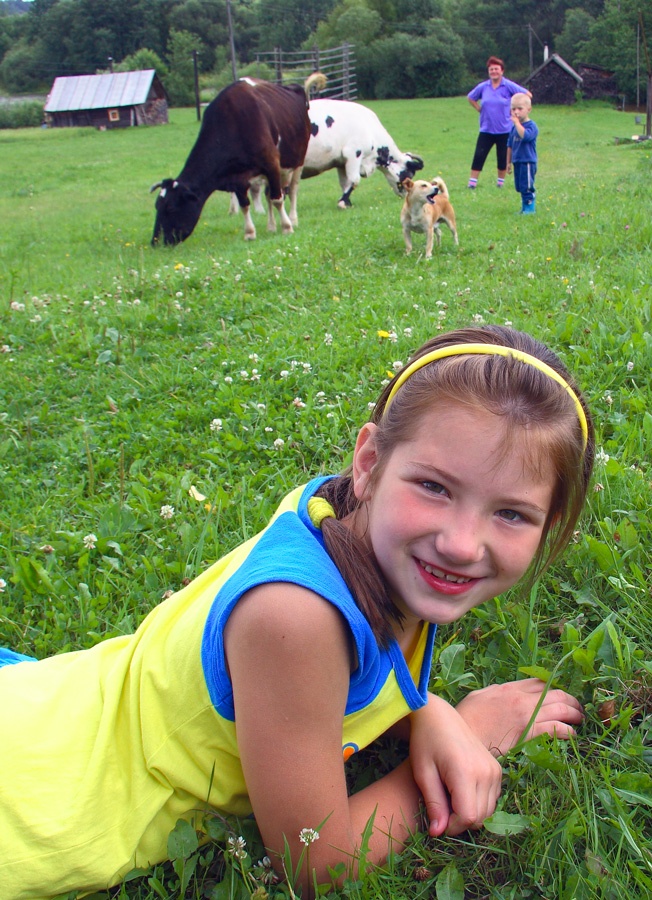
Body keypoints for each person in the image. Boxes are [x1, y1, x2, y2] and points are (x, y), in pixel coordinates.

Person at [0, 325, 594, 900]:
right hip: (36, 796)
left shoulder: (336, 517)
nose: (463, 543)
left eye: (512, 514)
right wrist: (473, 735)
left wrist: (423, 710)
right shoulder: (296, 616)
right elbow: (315, 860)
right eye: (435, 487)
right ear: (368, 463)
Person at [467, 57, 531, 189]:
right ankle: (472, 183)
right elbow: (471, 97)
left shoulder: (508, 85)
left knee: (503, 157)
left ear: (502, 71)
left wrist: (517, 112)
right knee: (479, 155)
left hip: (505, 129)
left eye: (496, 69)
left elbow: (527, 94)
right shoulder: (483, 87)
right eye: (491, 69)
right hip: (486, 128)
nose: (494, 71)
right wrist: (479, 108)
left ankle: (500, 183)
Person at [507, 93, 539, 214]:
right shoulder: (513, 128)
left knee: (527, 186)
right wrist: (508, 162)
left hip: (528, 161)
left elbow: (525, 136)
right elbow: (509, 145)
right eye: (513, 109)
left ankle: (530, 207)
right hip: (517, 161)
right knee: (520, 186)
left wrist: (516, 123)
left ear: (528, 109)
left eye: (520, 109)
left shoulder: (532, 126)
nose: (516, 112)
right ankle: (524, 207)